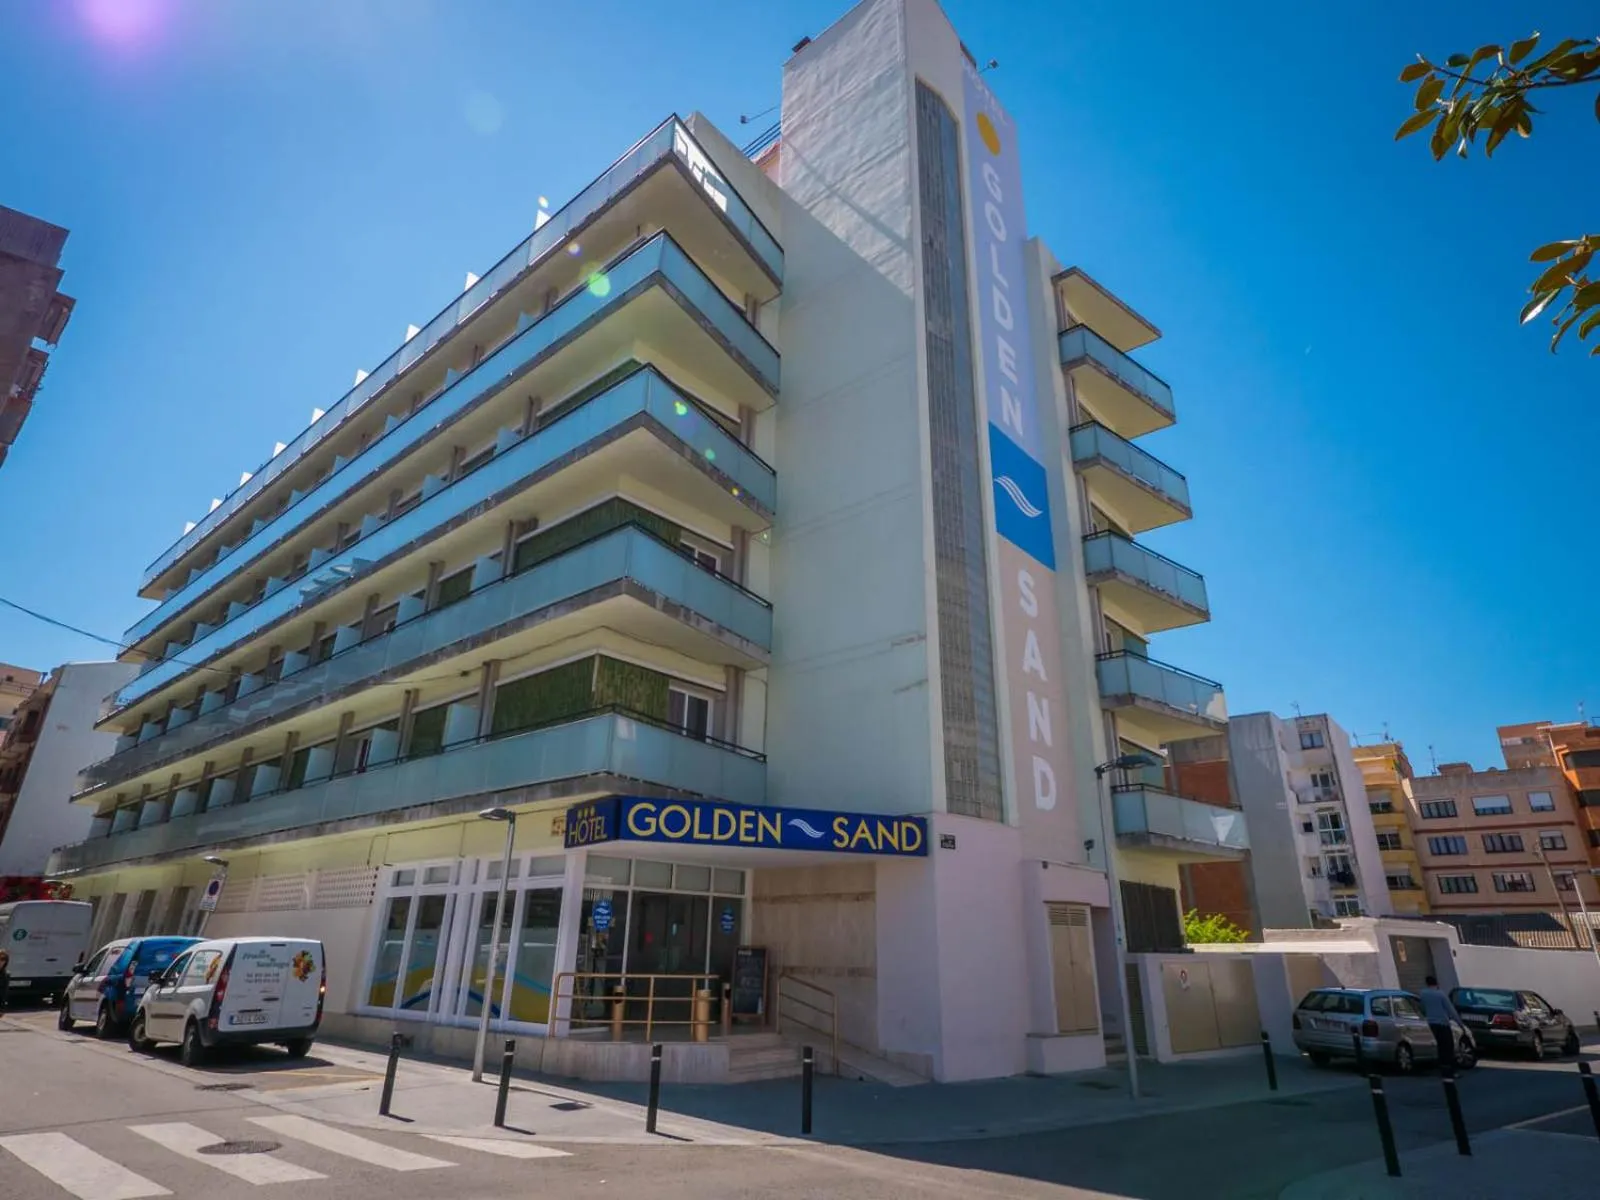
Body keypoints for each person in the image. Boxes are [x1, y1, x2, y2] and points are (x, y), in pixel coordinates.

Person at [1418, 973, 1461, 1069]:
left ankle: (1442, 1066)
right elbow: (1451, 1010)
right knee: (1448, 1046)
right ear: (1436, 983)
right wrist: (1460, 1024)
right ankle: (1451, 1069)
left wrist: (1426, 1016)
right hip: (1443, 1023)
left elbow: (1422, 1008)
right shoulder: (1440, 994)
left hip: (1432, 1023)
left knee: (1439, 1046)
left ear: (1427, 983)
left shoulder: (1423, 994)